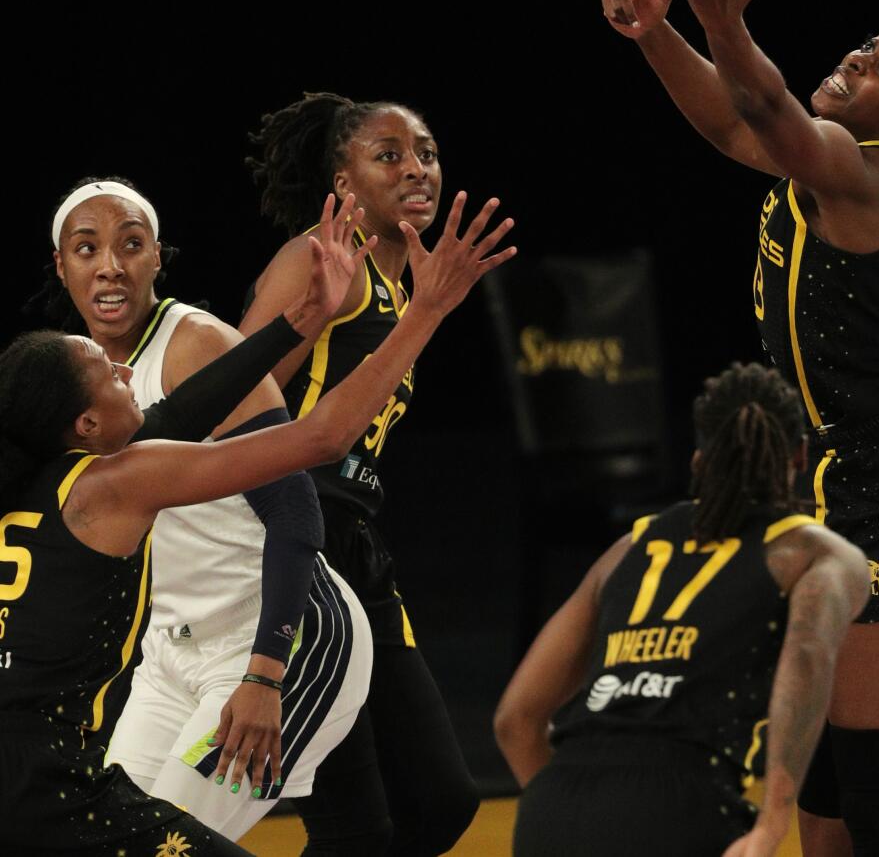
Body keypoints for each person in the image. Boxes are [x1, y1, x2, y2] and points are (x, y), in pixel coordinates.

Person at [600, 0, 879, 856]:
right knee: (829, 776)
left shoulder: (872, 178)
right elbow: (730, 123)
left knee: (872, 784)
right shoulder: (824, 165)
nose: (859, 60)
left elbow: (766, 105)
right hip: (834, 463)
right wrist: (655, 34)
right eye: (869, 46)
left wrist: (720, 16)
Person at [0, 190, 514, 856]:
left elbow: (189, 413)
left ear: (157, 255)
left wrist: (300, 320)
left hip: (266, 639)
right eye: (110, 376)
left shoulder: (43, 469)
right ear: (87, 426)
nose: (127, 371)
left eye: (129, 243)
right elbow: (323, 436)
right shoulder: (117, 479)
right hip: (66, 774)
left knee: (368, 818)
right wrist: (428, 310)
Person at [40, 179, 372, 843]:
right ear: (61, 265)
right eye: (87, 247)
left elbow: (296, 511)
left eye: (131, 245)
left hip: (280, 640)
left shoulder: (193, 343)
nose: (110, 264)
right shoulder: (66, 374)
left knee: (171, 844)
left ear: (157, 257)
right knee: (100, 840)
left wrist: (263, 673)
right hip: (171, 654)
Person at [494, 362, 869, 857]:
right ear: (800, 455)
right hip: (681, 802)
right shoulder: (819, 555)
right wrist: (773, 821)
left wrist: (570, 809)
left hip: (555, 806)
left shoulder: (630, 546)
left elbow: (514, 721)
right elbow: (808, 657)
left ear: (698, 460)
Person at [242, 93, 481, 855]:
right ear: (343, 185)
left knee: (440, 803)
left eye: (428, 153)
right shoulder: (317, 261)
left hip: (355, 549)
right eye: (389, 155)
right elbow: (226, 399)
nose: (417, 168)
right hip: (288, 542)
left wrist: (428, 313)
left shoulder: (407, 289)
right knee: (355, 830)